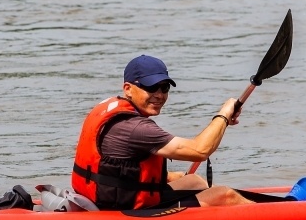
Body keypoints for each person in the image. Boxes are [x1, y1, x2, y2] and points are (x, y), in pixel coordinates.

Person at [72, 54, 253, 210]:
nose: (159, 95)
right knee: (225, 195)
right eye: (150, 87)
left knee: (193, 181)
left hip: (106, 197)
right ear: (128, 89)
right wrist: (223, 115)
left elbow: (117, 167)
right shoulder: (136, 128)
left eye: (164, 87)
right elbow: (200, 151)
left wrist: (163, 177)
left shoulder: (112, 110)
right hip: (124, 212)